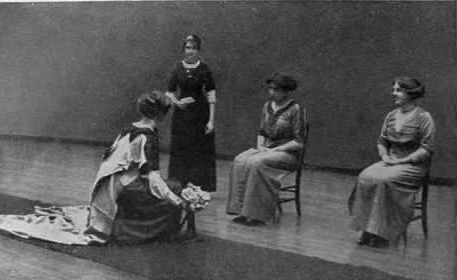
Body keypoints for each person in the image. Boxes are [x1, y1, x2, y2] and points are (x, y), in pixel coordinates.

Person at [85, 91, 187, 243]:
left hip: (109, 187)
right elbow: (154, 179)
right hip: (124, 188)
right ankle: (165, 234)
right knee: (175, 188)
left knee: (168, 187)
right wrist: (176, 200)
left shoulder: (130, 129)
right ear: (161, 114)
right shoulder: (148, 137)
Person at [349, 77, 436, 247]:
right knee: (365, 177)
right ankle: (367, 229)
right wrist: (385, 157)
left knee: (384, 181)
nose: (393, 93)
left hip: (413, 165)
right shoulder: (391, 116)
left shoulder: (424, 117)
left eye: (397, 90)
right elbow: (382, 141)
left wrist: (405, 160)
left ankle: (383, 233)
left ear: (409, 93)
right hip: (391, 161)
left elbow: (426, 148)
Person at [226, 72, 306, 225]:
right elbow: (262, 131)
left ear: (285, 90)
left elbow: (299, 141)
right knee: (240, 160)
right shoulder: (267, 106)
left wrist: (274, 150)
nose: (272, 93)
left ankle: (257, 215)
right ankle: (241, 210)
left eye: (276, 90)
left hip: (287, 154)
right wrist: (260, 147)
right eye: (270, 89)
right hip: (267, 149)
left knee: (257, 163)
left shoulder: (296, 109)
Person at [165, 34, 217, 192]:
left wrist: (211, 121)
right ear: (183, 50)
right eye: (188, 48)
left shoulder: (204, 69)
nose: (191, 51)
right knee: (181, 147)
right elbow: (169, 92)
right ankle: (179, 182)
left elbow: (211, 94)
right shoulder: (177, 68)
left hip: (200, 114)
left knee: (198, 149)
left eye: (194, 48)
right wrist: (177, 103)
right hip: (182, 116)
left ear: (198, 50)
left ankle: (197, 184)